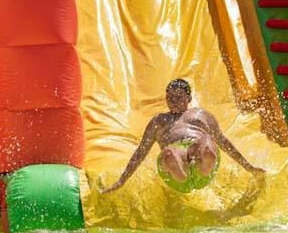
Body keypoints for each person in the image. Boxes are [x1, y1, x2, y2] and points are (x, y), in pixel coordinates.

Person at [101, 79, 264, 194]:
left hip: (200, 157)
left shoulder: (202, 115)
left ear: (189, 98)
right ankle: (180, 172)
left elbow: (223, 142)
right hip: (172, 166)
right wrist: (122, 180)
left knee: (206, 141)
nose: (173, 102)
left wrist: (248, 166)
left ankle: (203, 166)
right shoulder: (159, 121)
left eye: (178, 98)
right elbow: (140, 152)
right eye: (170, 98)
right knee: (170, 152)